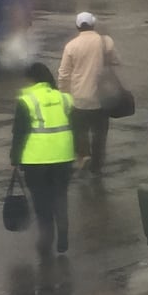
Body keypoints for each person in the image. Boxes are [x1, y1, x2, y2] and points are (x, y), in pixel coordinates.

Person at [11, 60, 75, 257]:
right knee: (60, 195)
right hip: (63, 156)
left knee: (41, 201)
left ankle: (47, 238)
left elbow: (19, 132)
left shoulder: (27, 99)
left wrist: (15, 157)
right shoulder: (64, 98)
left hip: (36, 159)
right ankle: (63, 232)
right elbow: (72, 124)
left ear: (31, 80)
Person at [57, 10, 118, 175]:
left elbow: (63, 75)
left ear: (78, 26)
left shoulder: (71, 46)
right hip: (102, 97)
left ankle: (84, 155)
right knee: (100, 133)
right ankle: (97, 164)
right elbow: (115, 61)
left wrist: (65, 94)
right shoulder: (106, 42)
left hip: (79, 98)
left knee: (79, 130)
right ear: (93, 24)